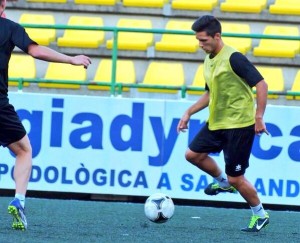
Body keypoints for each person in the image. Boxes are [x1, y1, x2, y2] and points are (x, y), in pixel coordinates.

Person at [0, 0, 91, 230]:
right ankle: (19, 200)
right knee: (24, 150)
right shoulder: (10, 28)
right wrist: (71, 59)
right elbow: (35, 50)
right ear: (4, 4)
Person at [177, 15, 269, 232]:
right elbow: (210, 93)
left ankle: (260, 214)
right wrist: (188, 112)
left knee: (237, 178)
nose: (200, 45)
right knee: (192, 155)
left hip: (239, 126)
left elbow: (262, 84)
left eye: (203, 40)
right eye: (198, 40)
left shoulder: (234, 58)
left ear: (217, 36)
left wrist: (258, 116)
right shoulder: (208, 58)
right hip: (217, 122)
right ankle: (222, 182)